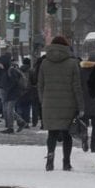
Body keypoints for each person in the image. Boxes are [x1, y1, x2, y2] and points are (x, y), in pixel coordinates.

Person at [38, 35, 84, 171]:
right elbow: (77, 87)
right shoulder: (72, 63)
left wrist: (43, 101)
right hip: (68, 104)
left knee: (52, 134)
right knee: (66, 134)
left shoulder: (44, 63)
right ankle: (66, 162)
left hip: (49, 104)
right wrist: (80, 106)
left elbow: (40, 85)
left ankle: (50, 160)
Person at [0, 54, 27, 134]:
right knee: (8, 110)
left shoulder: (11, 70)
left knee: (9, 110)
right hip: (10, 93)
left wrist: (8, 89)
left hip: (13, 93)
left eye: (0, 63)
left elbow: (14, 82)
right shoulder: (6, 70)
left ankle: (10, 128)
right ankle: (21, 122)